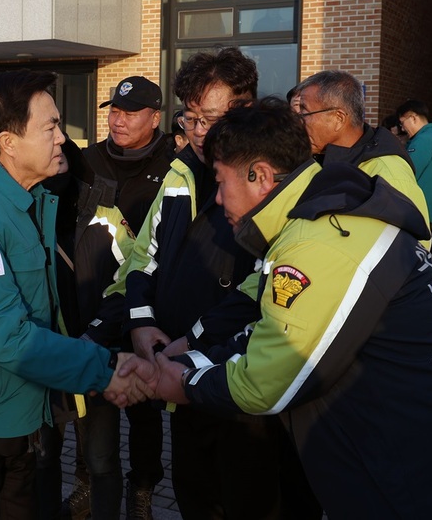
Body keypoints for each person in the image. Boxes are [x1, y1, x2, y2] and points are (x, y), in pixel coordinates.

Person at [132, 97, 432, 519]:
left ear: (260, 176)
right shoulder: (326, 219)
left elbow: (266, 384)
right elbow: (277, 328)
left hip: (424, 490)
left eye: (220, 181)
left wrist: (183, 382)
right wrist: (193, 354)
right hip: (430, 472)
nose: (216, 199)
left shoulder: (318, 244)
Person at [0, 69, 154, 520]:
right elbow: (8, 336)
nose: (63, 138)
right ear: (8, 141)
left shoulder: (27, 202)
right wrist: (106, 369)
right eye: (51, 127)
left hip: (20, 422)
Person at [123, 47, 305, 519]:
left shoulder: (274, 184)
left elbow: (265, 297)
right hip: (183, 374)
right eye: (191, 120)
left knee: (250, 497)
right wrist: (142, 321)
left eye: (211, 120)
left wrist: (194, 347)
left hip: (243, 387)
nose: (200, 135)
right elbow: (144, 254)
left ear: (244, 111)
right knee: (194, 492)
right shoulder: (181, 171)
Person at [74, 75, 175, 519]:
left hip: (144, 309)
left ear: (155, 118)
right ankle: (86, 483)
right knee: (90, 405)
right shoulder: (86, 160)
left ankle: (143, 489)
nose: (118, 119)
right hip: (90, 304)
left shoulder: (177, 162)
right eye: (113, 110)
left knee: (145, 411)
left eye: (130, 113)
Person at [293, 70, 431, 245]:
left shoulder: (388, 174)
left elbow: (413, 251)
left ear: (338, 118)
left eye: (304, 113)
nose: (297, 122)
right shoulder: (320, 160)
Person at [397, 100, 432, 262]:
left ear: (413, 118)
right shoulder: (430, 137)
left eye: (403, 123)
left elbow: (406, 173)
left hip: (420, 210)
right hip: (426, 210)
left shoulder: (424, 140)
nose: (402, 128)